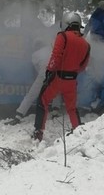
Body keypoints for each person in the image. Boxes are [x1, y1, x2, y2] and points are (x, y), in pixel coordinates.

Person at [33, 12, 91, 141]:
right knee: (72, 108)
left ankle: (38, 132)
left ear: (66, 23)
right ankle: (77, 131)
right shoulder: (86, 44)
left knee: (43, 101)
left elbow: (56, 56)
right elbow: (83, 65)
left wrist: (49, 71)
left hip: (58, 78)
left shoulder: (63, 36)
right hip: (72, 80)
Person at [5, 40, 61, 125]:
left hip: (43, 76)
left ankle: (18, 116)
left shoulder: (35, 55)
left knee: (30, 95)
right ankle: (55, 112)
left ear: (36, 47)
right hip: (56, 75)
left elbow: (37, 69)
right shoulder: (51, 49)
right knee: (57, 93)